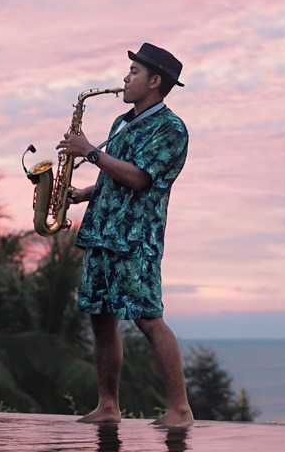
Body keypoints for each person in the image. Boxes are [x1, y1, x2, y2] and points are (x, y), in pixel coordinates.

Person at [56, 43, 194, 428]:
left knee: (149, 319)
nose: (124, 78)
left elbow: (139, 177)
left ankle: (180, 410)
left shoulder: (172, 128)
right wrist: (85, 194)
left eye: (134, 72)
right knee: (100, 319)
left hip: (136, 240)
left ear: (154, 81)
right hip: (101, 233)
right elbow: (114, 177)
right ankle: (107, 405)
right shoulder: (121, 123)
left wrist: (91, 152)